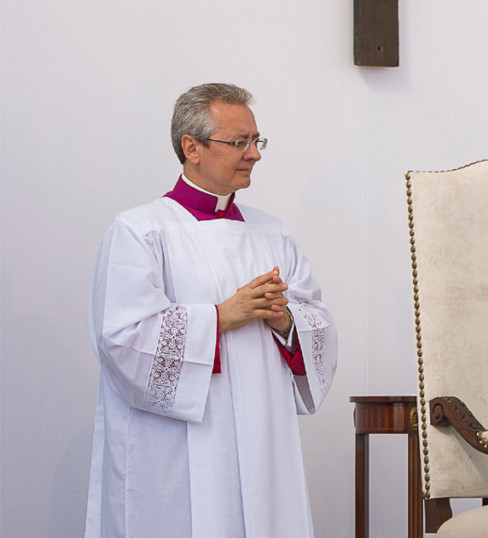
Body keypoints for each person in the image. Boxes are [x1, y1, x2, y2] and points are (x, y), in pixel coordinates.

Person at [85, 83, 338, 537]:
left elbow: (316, 322)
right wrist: (222, 317)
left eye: (256, 141)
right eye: (239, 142)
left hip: (264, 439)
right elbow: (120, 338)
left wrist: (285, 320)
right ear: (191, 147)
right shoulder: (141, 231)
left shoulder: (271, 233)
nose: (254, 154)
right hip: (178, 447)